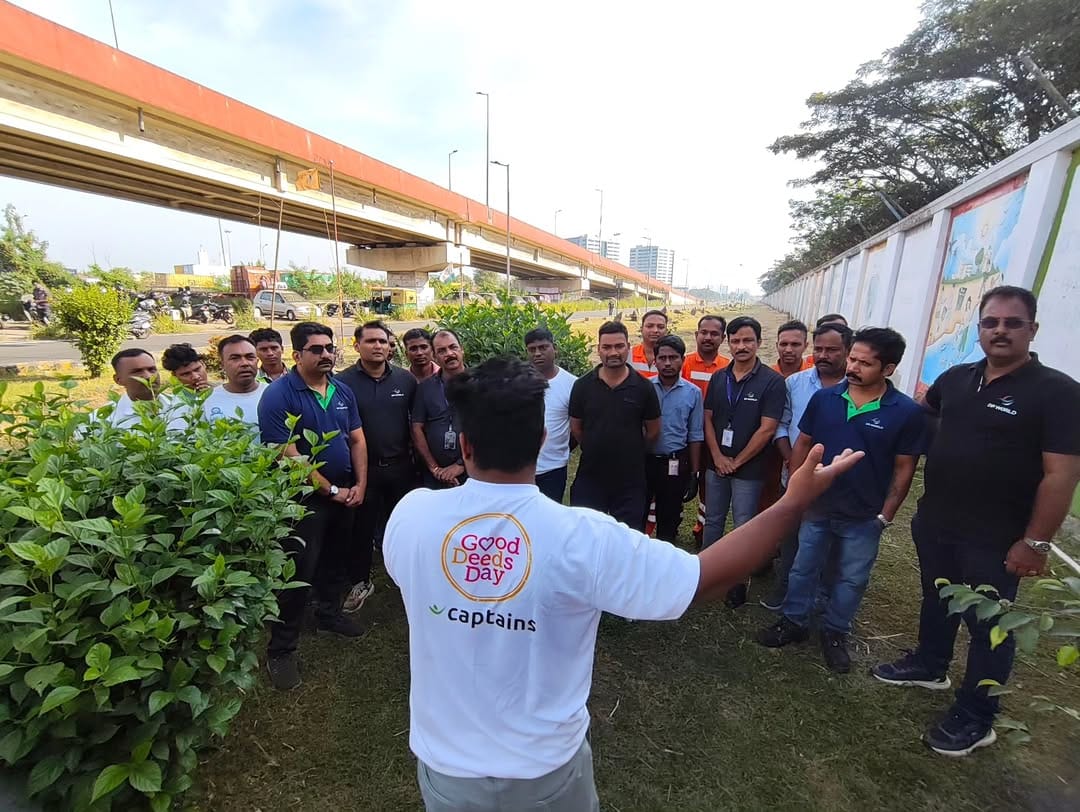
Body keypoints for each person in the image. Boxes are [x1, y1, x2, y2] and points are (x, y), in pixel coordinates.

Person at [383, 356, 865, 812]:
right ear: (540, 440)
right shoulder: (584, 537)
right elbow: (700, 579)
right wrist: (789, 503)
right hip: (544, 772)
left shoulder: (412, 516)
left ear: (465, 444)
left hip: (445, 768)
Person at [872, 286, 1080, 757]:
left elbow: (1061, 475)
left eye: (1012, 323)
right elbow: (918, 419)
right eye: (991, 322)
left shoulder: (1058, 393)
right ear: (979, 328)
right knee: (937, 598)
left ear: (1033, 329)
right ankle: (930, 665)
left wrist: (1036, 543)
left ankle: (977, 714)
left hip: (997, 536)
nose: (1000, 330)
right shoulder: (956, 378)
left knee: (991, 626)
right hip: (938, 520)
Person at [757, 328, 926, 672]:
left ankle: (835, 632)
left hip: (864, 515)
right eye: (853, 359)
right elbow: (803, 443)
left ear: (888, 368)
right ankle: (794, 622)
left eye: (865, 363)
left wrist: (886, 516)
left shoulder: (905, 412)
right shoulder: (826, 399)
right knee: (803, 567)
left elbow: (904, 468)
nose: (853, 367)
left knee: (851, 578)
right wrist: (797, 488)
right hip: (817, 506)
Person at [257, 322, 368, 691]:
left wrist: (359, 485)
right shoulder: (279, 395)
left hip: (346, 494)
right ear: (297, 355)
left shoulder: (341, 390)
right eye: (316, 349)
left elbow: (357, 439)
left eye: (328, 348)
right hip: (304, 501)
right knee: (299, 570)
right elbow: (288, 454)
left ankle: (329, 615)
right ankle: (282, 650)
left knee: (337, 560)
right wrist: (330, 489)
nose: (325, 355)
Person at [761, 322, 853, 611]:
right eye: (820, 349)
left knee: (833, 542)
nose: (824, 355)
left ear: (847, 350)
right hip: (797, 472)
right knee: (792, 537)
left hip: (840, 479)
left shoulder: (857, 387)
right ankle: (784, 589)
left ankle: (823, 598)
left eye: (833, 350)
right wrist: (791, 459)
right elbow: (783, 426)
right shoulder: (795, 384)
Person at [702, 316, 785, 606]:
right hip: (716, 464)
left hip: (748, 469)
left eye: (748, 340)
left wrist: (735, 461)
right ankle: (706, 575)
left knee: (743, 524)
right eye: (735, 341)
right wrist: (716, 456)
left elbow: (767, 428)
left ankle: (737, 581)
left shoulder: (772, 382)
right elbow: (708, 419)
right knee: (713, 519)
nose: (741, 346)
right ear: (729, 343)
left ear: (759, 343)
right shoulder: (719, 378)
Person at [337, 321, 418, 614]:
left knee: (406, 525)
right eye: (371, 341)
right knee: (361, 528)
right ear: (356, 346)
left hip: (401, 468)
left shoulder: (405, 380)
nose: (378, 346)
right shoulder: (342, 383)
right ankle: (360, 580)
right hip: (363, 471)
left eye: (383, 341)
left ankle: (410, 577)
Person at [569, 321, 660, 530]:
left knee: (627, 537)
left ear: (628, 347)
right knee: (586, 533)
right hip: (591, 476)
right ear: (598, 349)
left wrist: (631, 449)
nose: (613, 352)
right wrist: (597, 445)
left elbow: (653, 431)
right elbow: (577, 428)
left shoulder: (643, 387)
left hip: (630, 479)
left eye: (619, 346)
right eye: (607, 347)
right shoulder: (582, 386)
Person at [645, 335, 703, 542]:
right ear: (654, 359)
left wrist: (694, 473)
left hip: (675, 463)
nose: (668, 363)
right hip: (645, 461)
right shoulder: (644, 388)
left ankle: (665, 557)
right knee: (638, 513)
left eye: (673, 357)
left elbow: (695, 434)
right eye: (662, 358)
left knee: (669, 515)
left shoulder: (693, 393)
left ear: (683, 359)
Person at [682, 314, 729, 542]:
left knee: (708, 488)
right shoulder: (683, 363)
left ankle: (702, 528)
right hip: (684, 438)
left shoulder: (728, 368)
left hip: (713, 439)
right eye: (704, 332)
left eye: (714, 334)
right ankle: (670, 521)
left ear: (723, 338)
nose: (708, 337)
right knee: (678, 480)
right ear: (696, 334)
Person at [525, 327, 576, 503]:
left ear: (555, 348)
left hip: (554, 469)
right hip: (520, 469)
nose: (537, 353)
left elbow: (576, 427)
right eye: (532, 349)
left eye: (543, 347)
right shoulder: (517, 382)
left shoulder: (572, 384)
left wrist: (562, 449)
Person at [412, 329, 467, 488]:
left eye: (453, 347)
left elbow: (489, 428)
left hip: (473, 472)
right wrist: (434, 468)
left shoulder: (480, 384)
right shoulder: (425, 388)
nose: (449, 353)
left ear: (461, 349)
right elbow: (416, 429)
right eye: (442, 351)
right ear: (434, 357)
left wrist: (461, 465)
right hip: (435, 476)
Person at [101, 348, 186, 430]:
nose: (148, 376)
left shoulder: (181, 406)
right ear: (118, 380)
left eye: (152, 369)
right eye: (137, 371)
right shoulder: (106, 418)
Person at [203, 335, 266, 426]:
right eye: (235, 358)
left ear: (257, 361)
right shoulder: (207, 400)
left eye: (250, 357)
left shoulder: (275, 394)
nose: (244, 363)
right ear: (222, 364)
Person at [629, 309, 668, 378]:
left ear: (666, 331)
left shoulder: (673, 358)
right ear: (641, 329)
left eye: (660, 327)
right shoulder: (628, 355)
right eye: (650, 326)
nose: (655, 330)